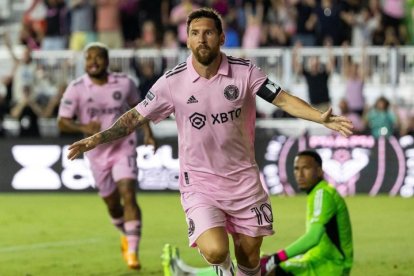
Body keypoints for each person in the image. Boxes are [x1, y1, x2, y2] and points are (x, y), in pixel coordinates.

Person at [66, 8, 353, 276]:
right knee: (216, 251)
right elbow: (135, 116)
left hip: (244, 181)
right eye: (195, 33)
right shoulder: (171, 82)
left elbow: (283, 99)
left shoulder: (245, 72)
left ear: (221, 38)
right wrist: (96, 139)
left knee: (250, 256)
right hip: (200, 183)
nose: (201, 39)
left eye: (208, 33)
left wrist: (319, 117)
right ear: (187, 40)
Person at [57, 42, 156, 270]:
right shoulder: (76, 88)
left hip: (123, 146)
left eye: (98, 57)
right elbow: (62, 122)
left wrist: (148, 135)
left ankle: (132, 252)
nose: (93, 61)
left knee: (128, 193)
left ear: (107, 60)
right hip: (96, 153)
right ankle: (126, 234)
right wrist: (83, 127)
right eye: (89, 57)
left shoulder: (124, 83)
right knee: (112, 204)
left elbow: (139, 110)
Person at [261, 150, 353, 276]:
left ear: (320, 171)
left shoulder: (323, 194)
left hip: (329, 266)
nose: (300, 174)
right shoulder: (317, 193)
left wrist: (276, 258)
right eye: (297, 169)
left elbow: (313, 238)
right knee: (260, 260)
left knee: (263, 269)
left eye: (306, 168)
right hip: (317, 260)